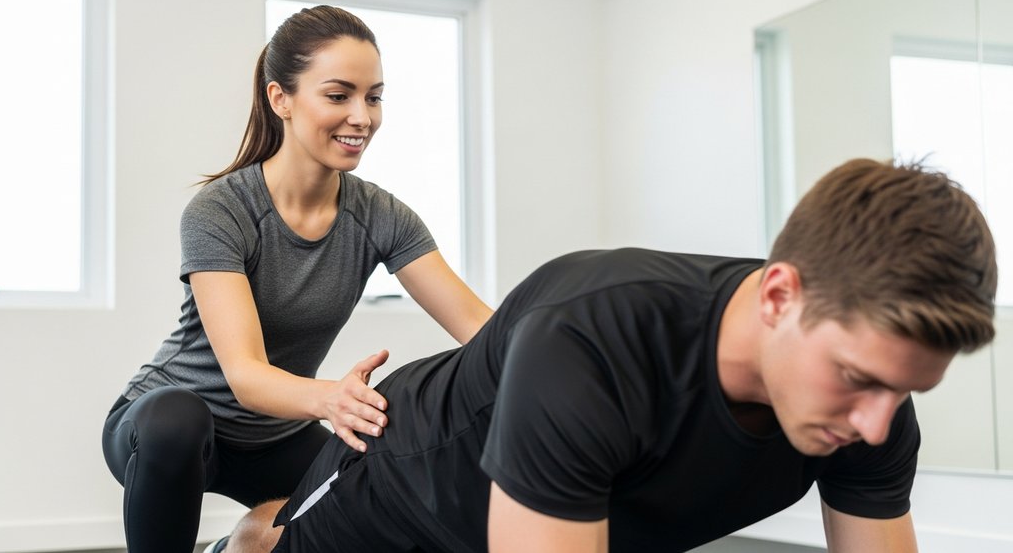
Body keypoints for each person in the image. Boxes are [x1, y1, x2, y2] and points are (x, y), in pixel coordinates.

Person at [216, 157, 996, 553]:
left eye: (902, 392)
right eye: (858, 380)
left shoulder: (876, 415)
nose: (875, 423)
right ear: (779, 296)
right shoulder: (592, 341)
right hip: (401, 482)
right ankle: (253, 533)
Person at [100, 5, 492, 553]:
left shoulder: (383, 217)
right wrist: (332, 398)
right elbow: (245, 375)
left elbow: (480, 328)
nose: (362, 117)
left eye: (373, 97)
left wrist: (567, 361)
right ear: (280, 98)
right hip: (168, 430)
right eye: (339, 96)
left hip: (274, 437)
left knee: (369, 493)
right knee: (176, 418)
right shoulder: (221, 211)